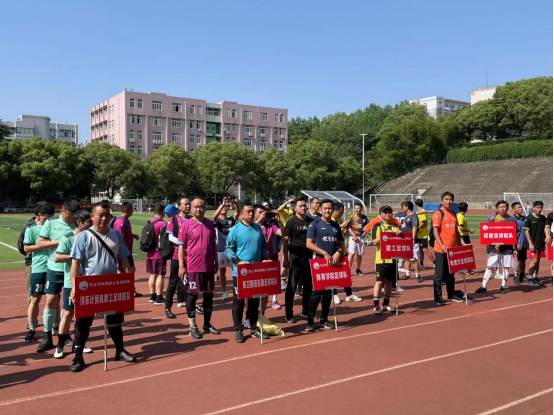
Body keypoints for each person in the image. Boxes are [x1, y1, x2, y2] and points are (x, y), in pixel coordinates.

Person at [68, 202, 136, 372]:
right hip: (89, 286)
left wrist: (127, 280)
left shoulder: (116, 235)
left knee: (115, 321)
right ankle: (78, 357)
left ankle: (120, 350)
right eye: (100, 215)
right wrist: (74, 287)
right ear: (92, 217)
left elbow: (123, 258)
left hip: (111, 285)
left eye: (107, 215)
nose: (104, 218)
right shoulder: (84, 236)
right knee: (83, 323)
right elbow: (75, 264)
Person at [35, 200, 80, 353]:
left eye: (73, 216)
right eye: (68, 215)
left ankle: (64, 334)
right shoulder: (51, 223)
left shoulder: (78, 224)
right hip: (54, 269)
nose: (71, 219)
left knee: (68, 305)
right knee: (51, 301)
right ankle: (47, 336)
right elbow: (40, 243)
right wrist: (59, 242)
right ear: (62, 212)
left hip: (72, 270)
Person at [225, 202, 271, 343]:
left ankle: (254, 327)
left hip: (255, 272)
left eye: (252, 211)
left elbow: (263, 246)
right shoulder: (235, 229)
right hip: (240, 272)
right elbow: (228, 249)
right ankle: (238, 329)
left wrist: (264, 258)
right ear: (241, 214)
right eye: (248, 211)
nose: (251, 214)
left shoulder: (258, 229)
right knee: (238, 302)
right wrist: (238, 261)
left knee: (254, 301)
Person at [178, 198, 221, 339]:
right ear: (191, 208)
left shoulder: (210, 224)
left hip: (208, 266)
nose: (198, 209)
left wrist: (216, 262)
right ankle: (193, 327)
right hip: (193, 267)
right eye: (196, 207)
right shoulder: (186, 225)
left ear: (205, 208)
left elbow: (213, 245)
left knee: (208, 295)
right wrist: (181, 266)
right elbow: (181, 247)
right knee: (192, 295)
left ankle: (207, 325)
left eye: (201, 206)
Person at [53, 210, 93, 358]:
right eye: (88, 222)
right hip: (72, 282)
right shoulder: (68, 238)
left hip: (87, 282)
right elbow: (57, 257)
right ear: (79, 222)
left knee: (83, 315)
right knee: (68, 313)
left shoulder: (91, 236)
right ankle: (60, 346)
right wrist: (75, 256)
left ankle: (79, 344)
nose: (91, 224)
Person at [305, 199, 345, 332]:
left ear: (333, 210)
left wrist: (338, 252)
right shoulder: (314, 224)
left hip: (332, 263)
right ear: (320, 210)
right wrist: (324, 253)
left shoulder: (336, 225)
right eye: (325, 208)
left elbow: (341, 243)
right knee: (316, 293)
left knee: (329, 292)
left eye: (330, 208)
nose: (327, 210)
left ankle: (324, 319)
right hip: (319, 263)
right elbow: (309, 244)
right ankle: (310, 321)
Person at [23, 203, 55, 343]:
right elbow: (26, 248)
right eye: (46, 218)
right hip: (39, 268)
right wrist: (46, 244)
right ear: (39, 216)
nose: (48, 221)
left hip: (54, 267)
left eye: (51, 218)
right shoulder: (32, 229)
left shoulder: (55, 228)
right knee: (35, 299)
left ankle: (55, 326)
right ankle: (31, 329)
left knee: (54, 299)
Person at [475, 201, 516, 294]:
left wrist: (515, 248)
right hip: (494, 247)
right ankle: (483, 286)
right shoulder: (492, 218)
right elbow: (487, 232)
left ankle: (503, 286)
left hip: (507, 248)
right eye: (500, 207)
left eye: (504, 207)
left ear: (507, 208)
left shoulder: (512, 220)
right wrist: (493, 244)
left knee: (505, 267)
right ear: (497, 208)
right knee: (489, 266)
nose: (502, 209)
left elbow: (514, 235)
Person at [283, 197, 313, 323]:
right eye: (300, 206)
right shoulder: (291, 222)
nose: (303, 207)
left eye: (305, 205)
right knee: (292, 286)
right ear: (295, 208)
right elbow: (285, 241)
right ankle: (289, 313)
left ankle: (305, 310)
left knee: (308, 286)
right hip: (295, 259)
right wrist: (286, 258)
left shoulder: (311, 222)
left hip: (309, 259)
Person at [432, 192, 465, 305]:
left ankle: (451, 294)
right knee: (439, 274)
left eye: (450, 199)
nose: (448, 201)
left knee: (451, 273)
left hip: (452, 249)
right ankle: (438, 297)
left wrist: (463, 244)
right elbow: (435, 231)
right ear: (442, 200)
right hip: (441, 249)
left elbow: (456, 231)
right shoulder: (438, 213)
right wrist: (442, 245)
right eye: (446, 199)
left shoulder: (453, 213)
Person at [371, 206, 403, 314]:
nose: (388, 214)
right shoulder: (377, 226)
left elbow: (401, 241)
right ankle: (376, 305)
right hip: (381, 259)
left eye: (390, 212)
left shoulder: (395, 226)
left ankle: (386, 303)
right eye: (385, 212)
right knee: (379, 282)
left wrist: (400, 234)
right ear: (381, 214)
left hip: (393, 259)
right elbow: (374, 242)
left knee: (389, 282)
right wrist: (386, 235)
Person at [255, 204, 285, 311]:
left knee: (272, 280)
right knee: (257, 284)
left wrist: (279, 221)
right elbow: (249, 230)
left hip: (270, 257)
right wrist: (259, 220)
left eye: (265, 213)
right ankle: (255, 308)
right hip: (256, 259)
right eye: (260, 212)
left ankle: (274, 300)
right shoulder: (253, 226)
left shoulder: (270, 226)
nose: (263, 215)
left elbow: (283, 233)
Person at [165, 198, 191, 318]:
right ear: (179, 207)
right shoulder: (174, 219)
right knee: (173, 282)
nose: (188, 206)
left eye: (189, 204)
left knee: (189, 283)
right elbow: (170, 237)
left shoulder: (192, 219)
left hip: (190, 257)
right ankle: (168, 308)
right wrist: (183, 243)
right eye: (185, 204)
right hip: (177, 256)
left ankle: (191, 306)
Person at [332, 202, 362, 303]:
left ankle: (349, 294)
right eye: (340, 212)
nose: (341, 214)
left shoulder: (339, 220)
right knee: (334, 274)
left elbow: (342, 235)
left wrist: (346, 227)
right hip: (334, 251)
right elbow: (332, 233)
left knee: (345, 273)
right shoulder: (330, 221)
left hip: (342, 250)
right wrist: (341, 226)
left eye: (342, 212)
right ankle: (334, 294)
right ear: (334, 210)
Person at [18, 202, 46, 306]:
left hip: (49, 263)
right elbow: (21, 246)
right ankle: (32, 315)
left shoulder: (50, 226)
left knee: (53, 293)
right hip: (32, 264)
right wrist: (30, 256)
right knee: (33, 294)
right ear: (40, 213)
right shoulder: (28, 227)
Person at [111, 202, 142, 296]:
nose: (133, 211)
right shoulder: (120, 222)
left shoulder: (126, 220)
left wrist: (133, 235)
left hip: (128, 251)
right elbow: (119, 238)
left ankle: (131, 289)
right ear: (126, 210)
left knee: (131, 270)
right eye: (131, 209)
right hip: (123, 252)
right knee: (125, 271)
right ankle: (125, 290)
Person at [213, 196, 239, 301]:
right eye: (223, 207)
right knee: (222, 272)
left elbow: (238, 213)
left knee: (235, 270)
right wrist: (222, 204)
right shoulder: (218, 221)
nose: (224, 208)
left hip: (232, 250)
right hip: (221, 250)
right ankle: (224, 291)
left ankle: (237, 289)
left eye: (226, 207)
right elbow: (214, 216)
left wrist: (236, 204)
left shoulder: (231, 220)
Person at [146, 204, 167, 305]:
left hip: (150, 252)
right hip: (159, 253)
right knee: (160, 275)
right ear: (163, 211)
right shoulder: (162, 223)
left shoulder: (150, 221)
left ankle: (152, 296)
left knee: (152, 274)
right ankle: (159, 297)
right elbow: (165, 239)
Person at [524, 201, 547, 287]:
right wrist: (530, 243)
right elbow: (526, 231)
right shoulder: (529, 218)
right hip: (533, 243)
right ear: (533, 208)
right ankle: (530, 279)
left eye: (540, 208)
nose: (539, 209)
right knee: (534, 260)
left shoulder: (543, 218)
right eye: (537, 207)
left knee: (538, 261)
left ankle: (535, 277)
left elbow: (545, 229)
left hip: (541, 243)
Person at [399, 201, 421, 283]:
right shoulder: (406, 216)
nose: (402, 208)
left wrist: (413, 239)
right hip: (405, 239)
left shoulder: (413, 216)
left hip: (411, 240)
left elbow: (415, 227)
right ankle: (407, 274)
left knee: (413, 258)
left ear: (407, 207)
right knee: (406, 257)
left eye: (403, 206)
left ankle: (417, 275)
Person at [348, 202, 369, 276]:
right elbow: (348, 227)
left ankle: (358, 269)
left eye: (358, 208)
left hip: (361, 237)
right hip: (352, 237)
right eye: (355, 208)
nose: (357, 210)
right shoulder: (351, 217)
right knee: (352, 253)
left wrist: (365, 233)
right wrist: (354, 235)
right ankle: (348, 270)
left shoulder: (364, 217)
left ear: (361, 209)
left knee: (359, 254)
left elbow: (368, 226)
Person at [414, 199, 434, 271]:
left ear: (416, 205)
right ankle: (421, 264)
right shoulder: (420, 212)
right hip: (418, 235)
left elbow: (424, 223)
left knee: (425, 249)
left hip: (422, 235)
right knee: (421, 250)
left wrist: (419, 228)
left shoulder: (422, 212)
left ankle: (435, 262)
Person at [456, 202, 475, 276]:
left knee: (467, 252)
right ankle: (461, 269)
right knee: (462, 253)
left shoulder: (461, 215)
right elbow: (460, 228)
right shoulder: (460, 216)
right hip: (462, 236)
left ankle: (467, 269)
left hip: (465, 236)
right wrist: (469, 230)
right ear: (466, 209)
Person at [511, 202, 528, 285]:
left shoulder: (525, 219)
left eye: (521, 207)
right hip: (515, 244)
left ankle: (522, 275)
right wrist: (516, 243)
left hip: (524, 243)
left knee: (523, 260)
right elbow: (512, 233)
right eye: (519, 207)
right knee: (515, 261)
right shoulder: (511, 220)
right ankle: (515, 276)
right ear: (514, 210)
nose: (521, 209)